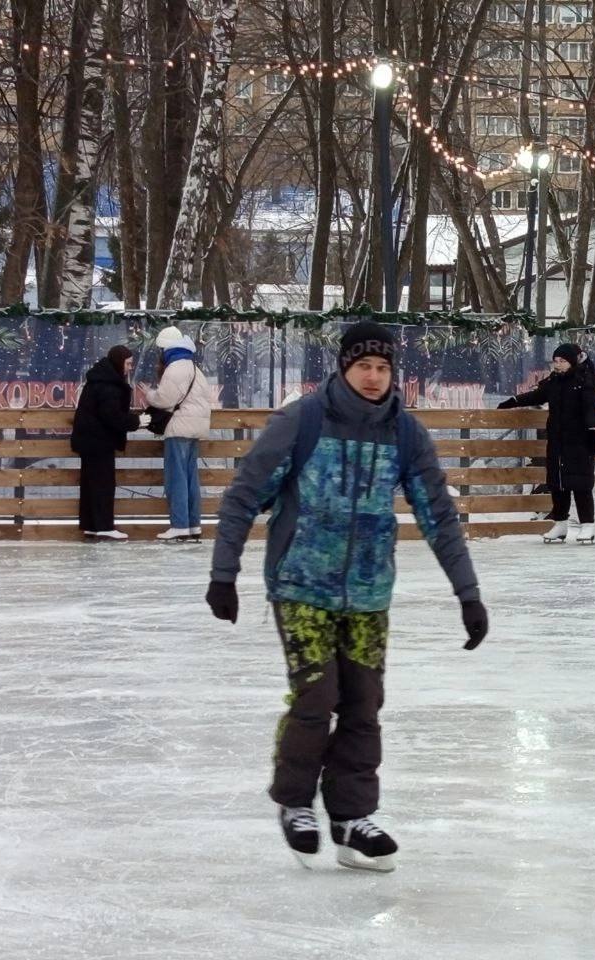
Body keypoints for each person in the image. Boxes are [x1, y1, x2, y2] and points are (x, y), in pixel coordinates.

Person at [205, 321, 488, 872]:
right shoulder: (302, 421)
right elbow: (244, 497)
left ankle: (351, 818)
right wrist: (224, 574)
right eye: (364, 366)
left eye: (383, 368)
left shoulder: (405, 434)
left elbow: (439, 518)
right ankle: (294, 802)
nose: (374, 377)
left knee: (362, 704)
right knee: (316, 696)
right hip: (300, 584)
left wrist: (468, 594)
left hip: (367, 590)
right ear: (343, 367)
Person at [498, 342, 595, 544]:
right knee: (558, 485)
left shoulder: (584, 381)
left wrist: (592, 431)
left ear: (571, 361)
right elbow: (537, 395)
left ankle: (587, 524)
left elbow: (591, 408)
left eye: (562, 361)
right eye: (555, 361)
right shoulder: (555, 381)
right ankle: (561, 523)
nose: (558, 365)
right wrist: (514, 400)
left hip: (579, 440)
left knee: (580, 484)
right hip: (557, 440)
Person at [71, 346, 148, 540]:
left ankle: (91, 525)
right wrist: (136, 421)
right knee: (103, 484)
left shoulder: (100, 379)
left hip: (90, 440)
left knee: (91, 484)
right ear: (118, 362)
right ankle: (103, 526)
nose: (130, 367)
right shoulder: (109, 384)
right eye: (128, 363)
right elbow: (111, 415)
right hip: (99, 441)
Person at [146, 326, 212, 542]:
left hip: (180, 427)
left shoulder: (175, 368)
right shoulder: (194, 367)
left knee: (176, 477)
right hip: (195, 427)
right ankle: (193, 524)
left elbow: (165, 400)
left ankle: (179, 525)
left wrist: (149, 394)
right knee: (191, 478)